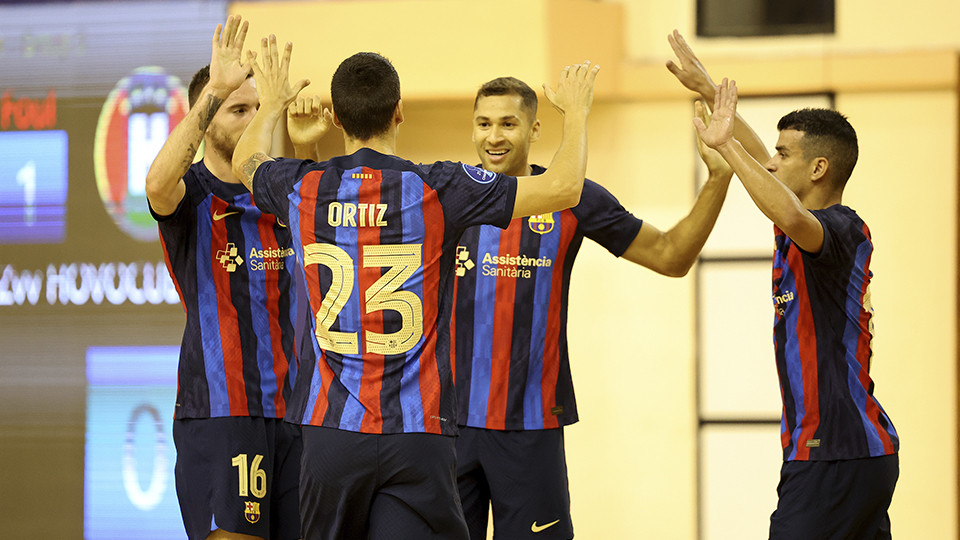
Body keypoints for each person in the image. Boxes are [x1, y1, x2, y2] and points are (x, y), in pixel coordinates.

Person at [230, 34, 600, 540]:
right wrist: (576, 112)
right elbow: (563, 188)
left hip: (330, 433)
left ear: (337, 117)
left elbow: (244, 161)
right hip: (416, 434)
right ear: (399, 111)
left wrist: (270, 104)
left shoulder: (302, 186)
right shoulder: (438, 188)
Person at [450, 76, 734, 539]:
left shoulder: (574, 197)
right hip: (447, 428)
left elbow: (670, 255)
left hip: (531, 429)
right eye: (483, 124)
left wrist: (718, 179)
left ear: (535, 129)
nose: (494, 136)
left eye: (508, 123)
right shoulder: (447, 194)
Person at [670, 31, 900, 539]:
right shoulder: (798, 219)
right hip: (851, 453)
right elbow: (773, 184)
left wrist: (723, 143)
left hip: (834, 450)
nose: (770, 161)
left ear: (818, 168)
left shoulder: (839, 228)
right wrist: (710, 90)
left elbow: (788, 210)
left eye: (783, 154)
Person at [145, 16, 327, 540]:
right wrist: (212, 94)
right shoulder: (192, 193)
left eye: (256, 108)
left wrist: (301, 142)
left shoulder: (276, 191)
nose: (250, 119)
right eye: (237, 108)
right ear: (208, 120)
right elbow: (157, 184)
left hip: (295, 410)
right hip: (222, 412)